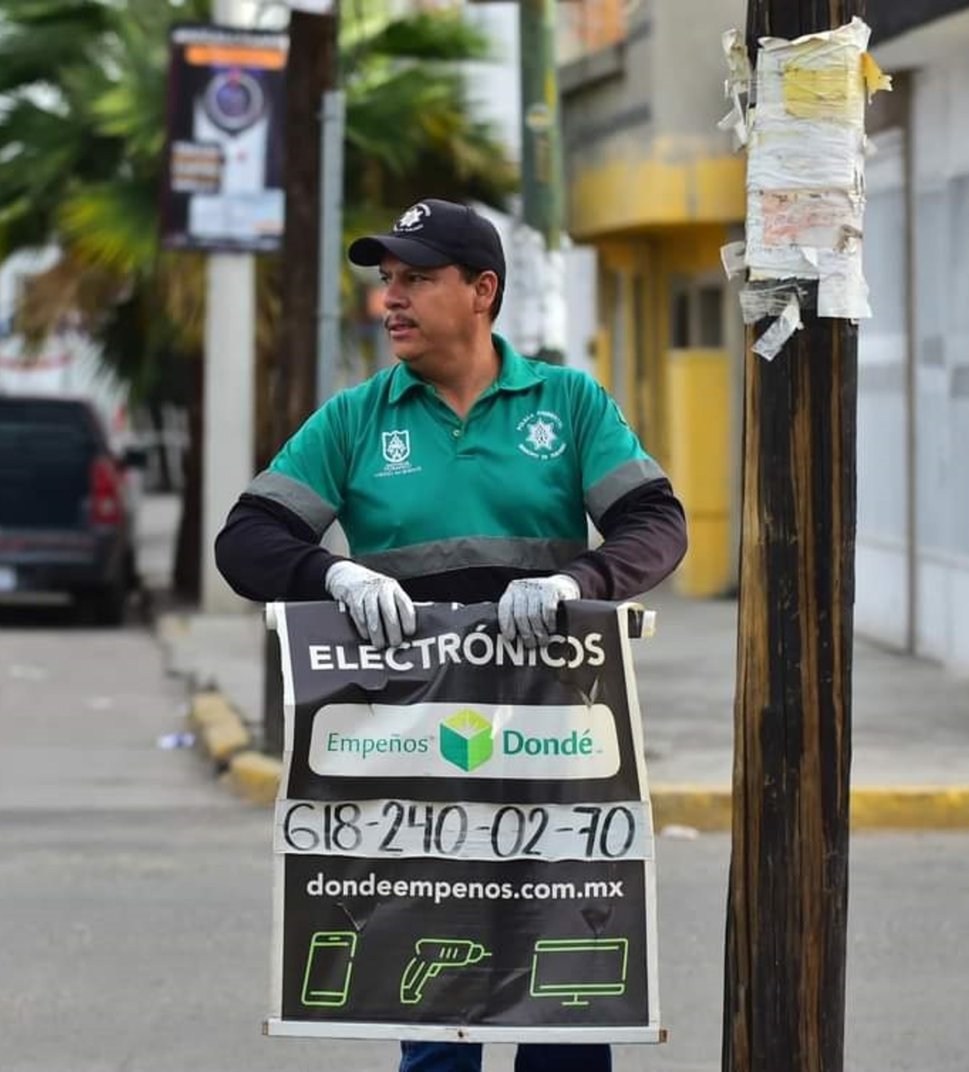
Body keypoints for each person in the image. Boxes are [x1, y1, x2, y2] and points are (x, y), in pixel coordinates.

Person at [215, 197, 688, 1072]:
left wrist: (576, 580)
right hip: (413, 762)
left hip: (556, 757)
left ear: (481, 291)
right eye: (387, 280)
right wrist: (335, 574)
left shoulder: (569, 402)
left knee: (565, 1022)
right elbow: (244, 540)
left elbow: (656, 524)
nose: (390, 299)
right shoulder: (356, 419)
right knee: (434, 1026)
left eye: (416, 279)